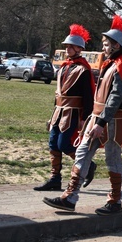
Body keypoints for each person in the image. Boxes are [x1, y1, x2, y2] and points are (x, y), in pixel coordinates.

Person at [43, 15, 122, 215]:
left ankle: (115, 201)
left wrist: (100, 122)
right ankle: (69, 197)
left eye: (107, 44)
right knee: (83, 153)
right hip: (97, 119)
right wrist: (94, 119)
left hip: (113, 121)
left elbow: (115, 98)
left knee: (113, 158)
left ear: (117, 45)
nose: (104, 48)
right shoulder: (111, 63)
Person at [34, 25, 95, 192]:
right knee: (53, 144)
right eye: (66, 46)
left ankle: (88, 166)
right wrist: (52, 113)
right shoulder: (63, 67)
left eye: (70, 46)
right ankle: (55, 179)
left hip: (73, 113)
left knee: (64, 144)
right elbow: (58, 93)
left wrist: (85, 119)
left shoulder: (83, 70)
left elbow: (88, 97)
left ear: (79, 48)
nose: (67, 49)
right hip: (58, 112)